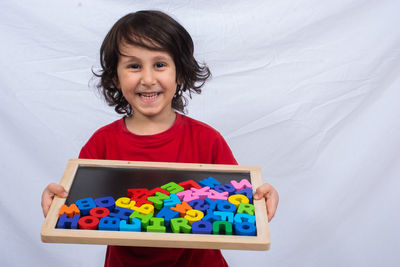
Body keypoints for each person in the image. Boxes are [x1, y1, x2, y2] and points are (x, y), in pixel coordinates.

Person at [41, 10, 279, 267]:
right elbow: (76, 199)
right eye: (134, 66)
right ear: (116, 78)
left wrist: (261, 198)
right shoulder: (102, 143)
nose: (148, 79)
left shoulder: (206, 139)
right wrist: (55, 200)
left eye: (160, 64)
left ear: (180, 74)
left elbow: (236, 197)